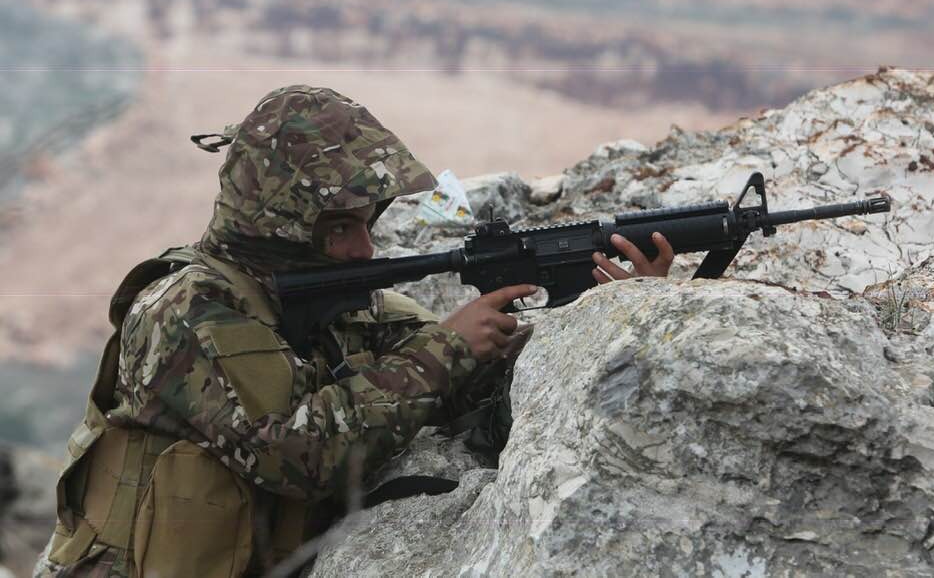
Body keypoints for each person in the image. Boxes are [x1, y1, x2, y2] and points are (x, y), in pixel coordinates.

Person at [35, 85, 674, 578]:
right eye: (341, 229)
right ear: (282, 227)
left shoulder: (335, 305)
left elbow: (485, 400)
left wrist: (600, 317)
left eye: (367, 223)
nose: (367, 249)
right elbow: (296, 454)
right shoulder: (189, 312)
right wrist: (445, 350)